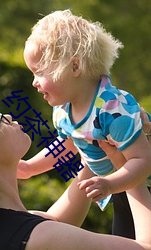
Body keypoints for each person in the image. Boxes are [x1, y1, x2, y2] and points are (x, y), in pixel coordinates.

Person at [0, 98, 151, 250]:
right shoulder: (39, 238)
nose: (7, 116)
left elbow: (57, 221)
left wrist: (91, 142)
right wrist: (127, 165)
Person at [21, 9, 151, 239]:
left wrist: (110, 184)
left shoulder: (111, 109)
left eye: (39, 72)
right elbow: (69, 143)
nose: (34, 82)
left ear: (74, 67)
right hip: (120, 187)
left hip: (140, 185)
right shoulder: (63, 109)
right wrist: (31, 167)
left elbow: (143, 160)